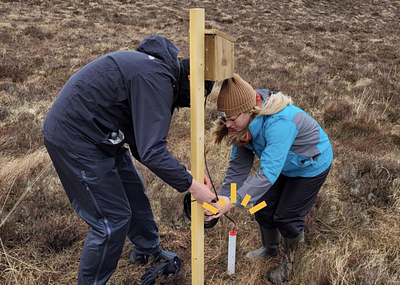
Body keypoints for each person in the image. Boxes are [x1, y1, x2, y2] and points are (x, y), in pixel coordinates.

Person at [42, 35, 217, 285]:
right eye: (200, 95)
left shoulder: (156, 71)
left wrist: (187, 175)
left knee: (134, 193)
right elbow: (151, 151)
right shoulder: (157, 78)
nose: (193, 103)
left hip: (104, 135)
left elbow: (140, 144)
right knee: (112, 219)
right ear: (191, 79)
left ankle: (147, 250)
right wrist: (193, 186)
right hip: (76, 138)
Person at [209, 74, 333, 283]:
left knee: (287, 216)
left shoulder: (280, 122)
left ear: (249, 109)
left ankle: (290, 263)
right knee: (261, 206)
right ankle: (270, 248)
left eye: (232, 119)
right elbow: (238, 168)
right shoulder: (243, 125)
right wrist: (224, 198)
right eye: (224, 119)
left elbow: (268, 173)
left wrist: (233, 201)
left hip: (311, 166)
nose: (228, 125)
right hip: (283, 166)